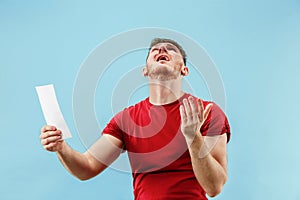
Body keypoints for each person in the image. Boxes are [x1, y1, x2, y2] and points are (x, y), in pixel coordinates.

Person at [40, 38, 231, 200]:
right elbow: (87, 167)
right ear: (145, 70)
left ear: (184, 70)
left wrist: (193, 137)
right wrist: (61, 148)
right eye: (155, 50)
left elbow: (214, 187)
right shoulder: (127, 119)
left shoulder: (206, 112)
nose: (162, 50)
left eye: (171, 50)